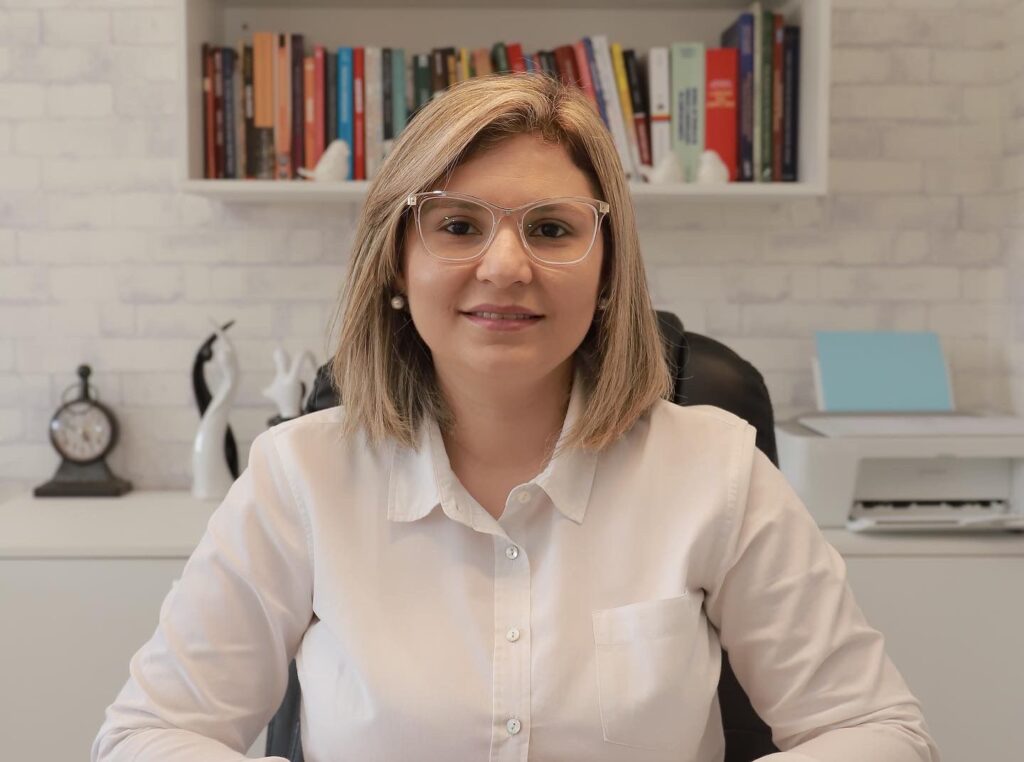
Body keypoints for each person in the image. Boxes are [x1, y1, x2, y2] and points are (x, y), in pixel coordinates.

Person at [92, 73, 940, 762]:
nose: (505, 266)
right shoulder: (300, 476)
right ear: (396, 264)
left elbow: (876, 730)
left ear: (607, 274)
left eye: (551, 229)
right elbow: (148, 734)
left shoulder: (715, 471)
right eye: (459, 225)